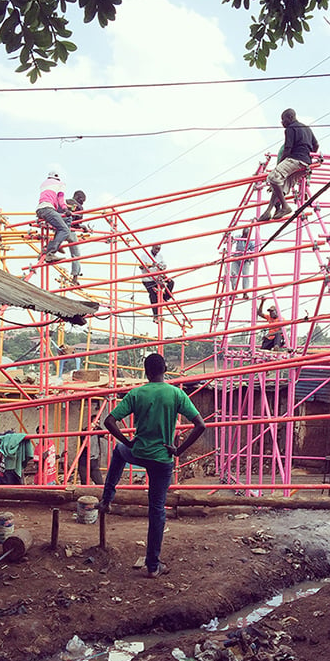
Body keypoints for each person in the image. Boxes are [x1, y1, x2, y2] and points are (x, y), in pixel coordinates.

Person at [100, 353, 206, 578]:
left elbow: (109, 420)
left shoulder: (137, 393)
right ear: (165, 369)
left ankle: (107, 498)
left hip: (139, 453)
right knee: (157, 510)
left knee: (119, 452)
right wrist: (179, 450)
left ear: (146, 372)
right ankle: (153, 565)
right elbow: (200, 425)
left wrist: (127, 441)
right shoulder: (176, 394)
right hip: (162, 460)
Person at [260, 108, 319, 222]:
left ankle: (285, 206)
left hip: (295, 159)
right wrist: (309, 156)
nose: (282, 123)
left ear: (290, 118)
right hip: (305, 164)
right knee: (280, 187)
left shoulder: (290, 128)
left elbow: (287, 149)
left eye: (283, 119)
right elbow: (316, 145)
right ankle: (268, 211)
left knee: (273, 177)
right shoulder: (306, 128)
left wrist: (280, 165)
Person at [36, 171, 71, 263]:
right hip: (48, 209)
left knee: (62, 223)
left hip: (40, 210)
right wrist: (65, 209)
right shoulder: (60, 184)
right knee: (65, 230)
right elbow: (60, 198)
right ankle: (50, 253)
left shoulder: (43, 184)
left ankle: (53, 245)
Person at [140, 244, 175, 323]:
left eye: (159, 249)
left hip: (158, 277)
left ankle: (165, 298)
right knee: (153, 295)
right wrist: (151, 265)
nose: (157, 250)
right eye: (156, 248)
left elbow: (164, 265)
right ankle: (156, 315)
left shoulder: (160, 256)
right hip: (148, 279)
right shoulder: (145, 255)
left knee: (171, 282)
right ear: (152, 247)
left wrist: (162, 266)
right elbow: (141, 266)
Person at [63, 189, 92, 285]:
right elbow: (77, 224)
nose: (82, 202)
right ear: (78, 198)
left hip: (58, 228)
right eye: (82, 200)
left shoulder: (64, 202)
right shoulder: (79, 207)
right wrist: (84, 227)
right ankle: (75, 277)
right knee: (76, 254)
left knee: (55, 241)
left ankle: (51, 248)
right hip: (69, 230)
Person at [230, 226, 255, 297]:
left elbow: (254, 251)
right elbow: (234, 239)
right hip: (236, 258)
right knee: (233, 274)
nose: (245, 236)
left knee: (245, 276)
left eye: (246, 235)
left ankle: (245, 292)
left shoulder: (251, 241)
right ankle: (234, 292)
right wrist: (231, 239)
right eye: (244, 234)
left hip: (245, 260)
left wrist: (251, 256)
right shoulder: (239, 237)